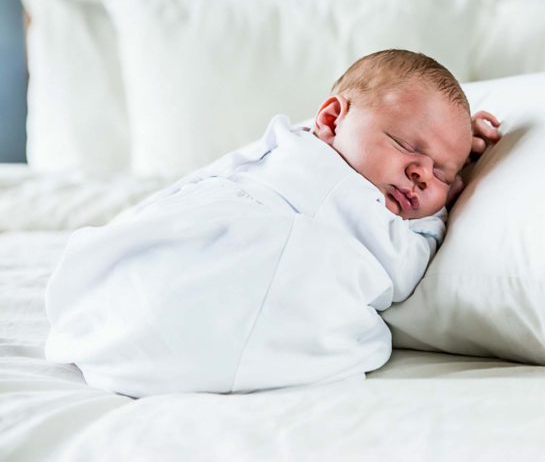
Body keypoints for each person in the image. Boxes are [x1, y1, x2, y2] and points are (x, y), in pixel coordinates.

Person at [44, 49, 501, 397]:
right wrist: (436, 213)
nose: (423, 173)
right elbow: (201, 188)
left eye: (443, 172)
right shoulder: (298, 162)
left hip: (134, 336)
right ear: (329, 119)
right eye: (405, 144)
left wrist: (443, 193)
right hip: (206, 258)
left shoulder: (290, 155)